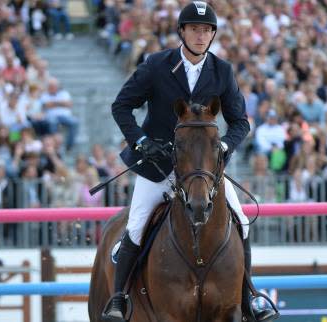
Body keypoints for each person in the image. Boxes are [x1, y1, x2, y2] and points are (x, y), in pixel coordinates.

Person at [103, 2, 278, 322]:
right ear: (182, 31)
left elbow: (240, 122)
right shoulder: (157, 65)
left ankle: (249, 296)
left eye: (207, 30)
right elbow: (122, 106)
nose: (201, 35)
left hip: (205, 171)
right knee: (137, 223)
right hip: (158, 167)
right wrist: (141, 142)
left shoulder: (222, 71)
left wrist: (223, 145)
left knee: (241, 221)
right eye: (195, 29)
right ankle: (119, 298)